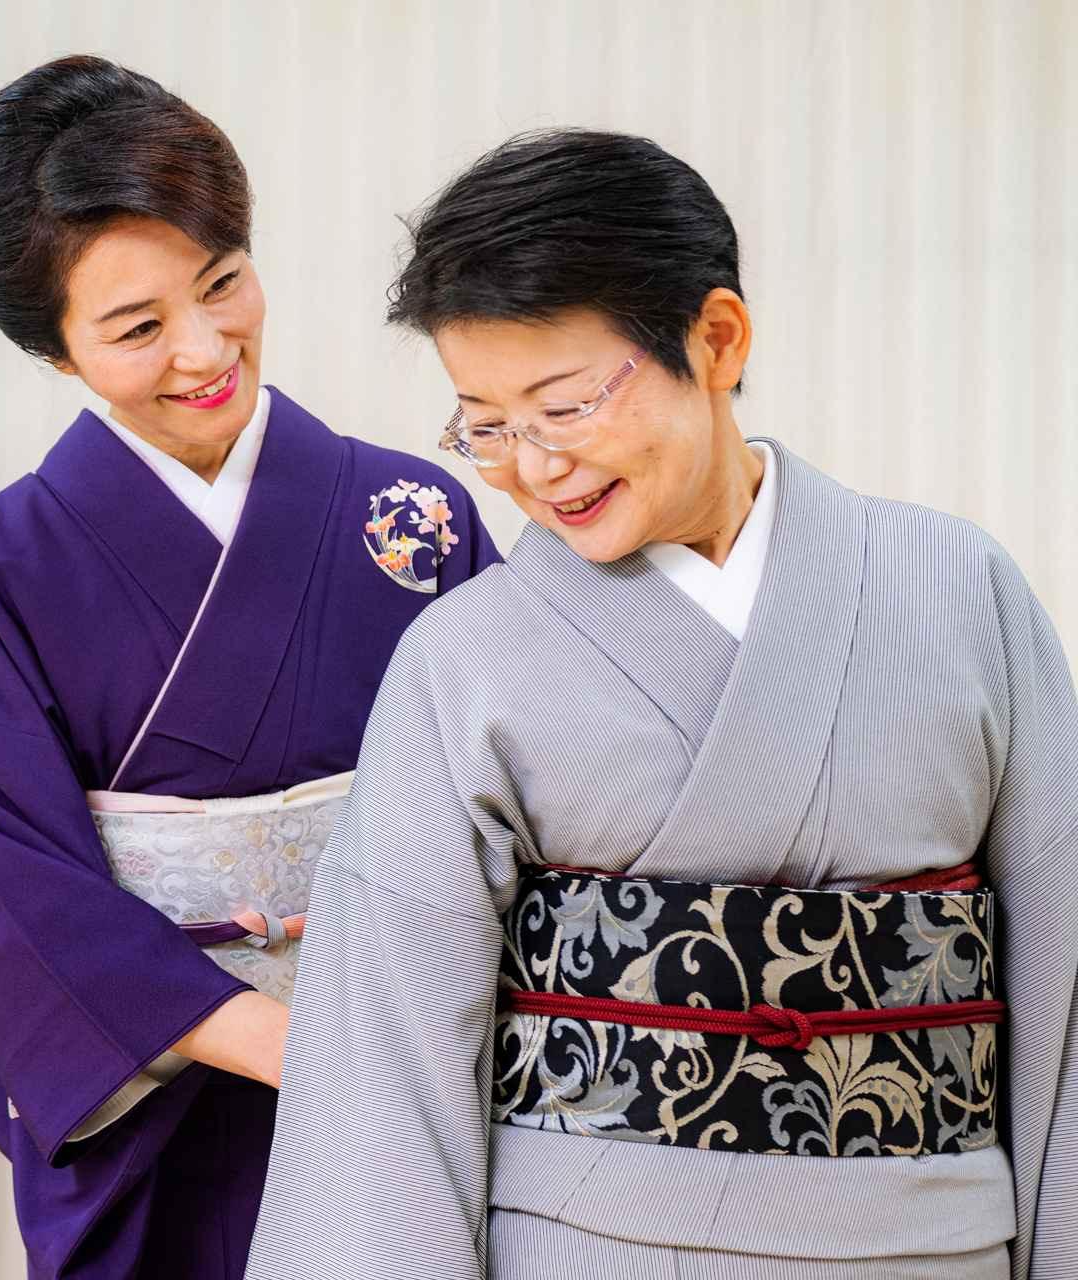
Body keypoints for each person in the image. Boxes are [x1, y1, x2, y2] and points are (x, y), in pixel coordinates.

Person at [249, 129, 1076, 1278]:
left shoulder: (961, 591)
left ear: (718, 338)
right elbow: (384, 1056)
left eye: (565, 403)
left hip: (930, 1242)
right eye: (485, 423)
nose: (533, 466)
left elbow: (1066, 977)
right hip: (590, 1247)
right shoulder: (466, 656)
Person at [0, 55, 500, 1279]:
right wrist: (285, 1040)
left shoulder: (414, 511)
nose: (204, 345)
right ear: (58, 353)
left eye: (222, 282)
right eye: (136, 328)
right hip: (168, 1112)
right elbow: (28, 894)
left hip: (410, 1069)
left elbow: (517, 795)